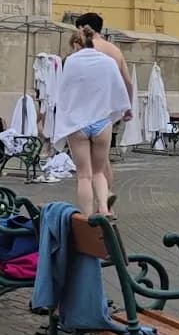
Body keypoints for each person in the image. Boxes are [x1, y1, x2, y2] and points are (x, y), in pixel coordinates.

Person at [54, 26, 131, 217]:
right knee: (98, 172)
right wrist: (126, 109)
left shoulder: (70, 62)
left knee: (84, 176)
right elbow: (119, 88)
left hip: (77, 124)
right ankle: (104, 208)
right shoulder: (108, 62)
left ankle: (88, 218)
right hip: (102, 122)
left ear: (76, 44)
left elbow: (63, 93)